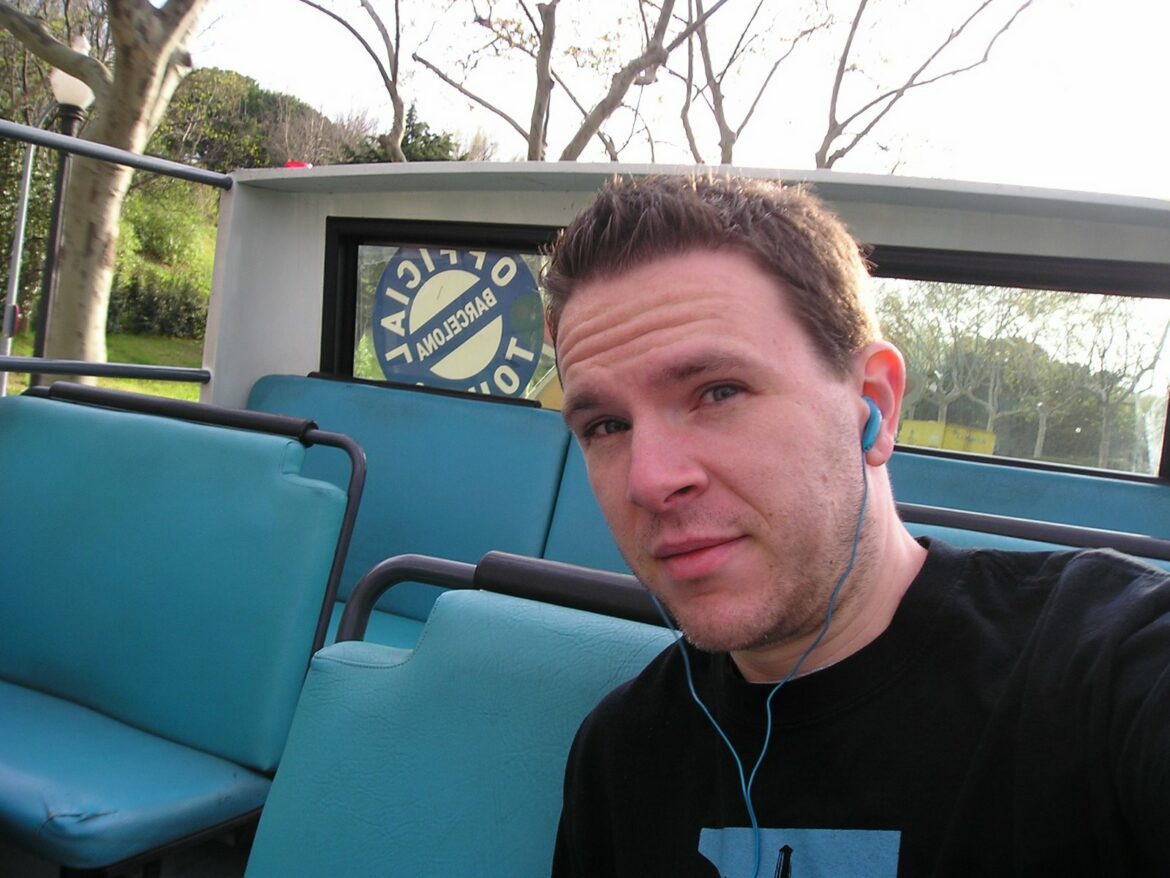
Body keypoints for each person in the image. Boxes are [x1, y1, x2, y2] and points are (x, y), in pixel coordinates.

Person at [542, 174, 1170, 877]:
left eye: (718, 392)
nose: (650, 481)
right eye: (605, 425)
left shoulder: (1107, 673)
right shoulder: (622, 753)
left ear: (872, 403)